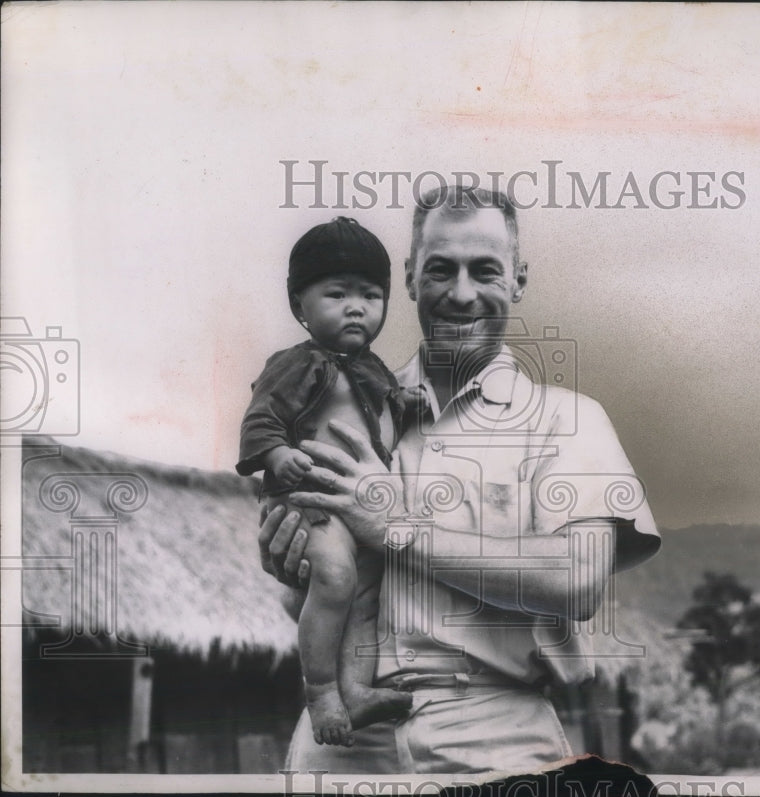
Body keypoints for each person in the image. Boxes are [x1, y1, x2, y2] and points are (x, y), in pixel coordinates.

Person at [258, 185, 661, 774]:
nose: (462, 293)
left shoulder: (567, 419)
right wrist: (291, 561)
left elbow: (578, 579)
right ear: (410, 278)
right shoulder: (346, 408)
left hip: (495, 738)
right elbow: (307, 597)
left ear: (518, 279)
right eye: (441, 270)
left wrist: (396, 529)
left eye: (485, 270)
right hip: (341, 739)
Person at [237, 217, 412, 746]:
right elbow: (260, 418)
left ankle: (356, 689)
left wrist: (409, 404)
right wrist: (278, 453)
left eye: (371, 296)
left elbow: (389, 413)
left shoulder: (376, 370)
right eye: (337, 295)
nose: (356, 307)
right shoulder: (296, 364)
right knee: (335, 578)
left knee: (364, 595)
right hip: (311, 500)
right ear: (301, 306)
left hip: (358, 510)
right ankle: (320, 692)